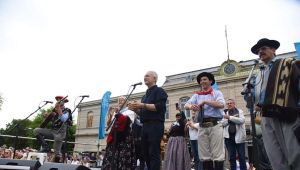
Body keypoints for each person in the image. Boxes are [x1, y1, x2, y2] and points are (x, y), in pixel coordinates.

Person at [250, 38, 300, 170]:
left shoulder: (287, 63)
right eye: (258, 50)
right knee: (274, 155)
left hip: (285, 112)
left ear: (273, 50)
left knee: (293, 151)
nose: (260, 52)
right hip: (266, 115)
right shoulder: (259, 74)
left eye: (264, 48)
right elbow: (257, 96)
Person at [184, 72, 225, 170]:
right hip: (202, 126)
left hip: (214, 125)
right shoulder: (197, 95)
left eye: (205, 79)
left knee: (218, 154)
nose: (202, 81)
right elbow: (186, 104)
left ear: (210, 81)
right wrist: (191, 106)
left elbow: (221, 104)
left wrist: (206, 102)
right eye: (201, 80)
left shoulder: (217, 93)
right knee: (204, 155)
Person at [128, 70, 168, 170]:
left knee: (153, 152)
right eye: (144, 76)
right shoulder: (144, 96)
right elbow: (142, 114)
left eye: (147, 76)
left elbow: (159, 107)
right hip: (145, 126)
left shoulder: (160, 91)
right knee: (145, 153)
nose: (145, 78)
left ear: (154, 78)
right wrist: (135, 109)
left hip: (155, 125)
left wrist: (142, 105)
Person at [102, 96, 136, 170]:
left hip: (124, 137)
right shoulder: (116, 112)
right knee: (112, 157)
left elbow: (127, 122)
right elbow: (109, 125)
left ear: (126, 102)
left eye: (122, 100)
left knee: (122, 157)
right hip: (115, 136)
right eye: (119, 100)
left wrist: (118, 113)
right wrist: (110, 116)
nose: (120, 102)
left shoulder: (130, 112)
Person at [33, 95, 71, 163]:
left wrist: (58, 109)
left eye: (59, 100)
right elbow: (50, 122)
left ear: (63, 102)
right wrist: (47, 117)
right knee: (36, 130)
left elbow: (63, 119)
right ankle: (45, 147)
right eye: (57, 100)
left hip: (60, 133)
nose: (58, 101)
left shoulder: (67, 110)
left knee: (57, 152)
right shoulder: (54, 112)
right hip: (52, 131)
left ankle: (56, 166)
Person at [222, 99, 247, 170]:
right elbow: (222, 123)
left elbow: (241, 121)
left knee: (242, 157)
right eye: (228, 103)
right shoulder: (225, 113)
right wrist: (232, 118)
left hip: (239, 138)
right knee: (231, 157)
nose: (229, 104)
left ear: (234, 104)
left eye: (231, 103)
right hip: (229, 139)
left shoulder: (240, 111)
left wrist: (229, 117)